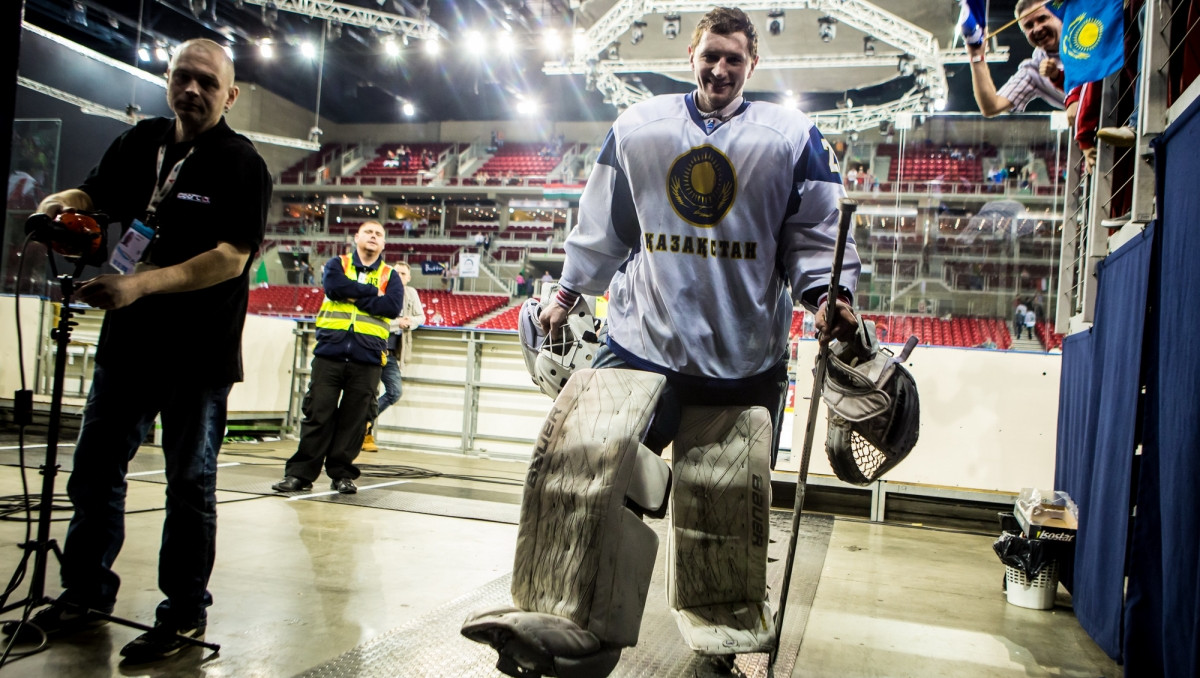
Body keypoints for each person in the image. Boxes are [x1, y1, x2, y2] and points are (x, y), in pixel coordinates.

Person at [0, 39, 272, 661]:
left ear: (230, 95)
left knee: (189, 484)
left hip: (195, 355)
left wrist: (140, 283)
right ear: (167, 80)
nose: (193, 90)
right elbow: (93, 196)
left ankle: (182, 615)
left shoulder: (240, 163)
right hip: (129, 344)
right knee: (95, 471)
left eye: (208, 82)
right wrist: (57, 204)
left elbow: (231, 259)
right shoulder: (138, 143)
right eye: (183, 77)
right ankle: (86, 591)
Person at [540, 5, 860, 464]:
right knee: (586, 481)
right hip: (640, 348)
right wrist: (566, 294)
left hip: (744, 363)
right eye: (711, 55)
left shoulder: (792, 137)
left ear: (753, 64)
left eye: (733, 59)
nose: (720, 69)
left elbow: (815, 233)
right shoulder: (637, 128)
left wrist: (830, 298)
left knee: (721, 525)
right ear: (691, 55)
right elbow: (603, 224)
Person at [272, 221, 402, 494]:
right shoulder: (337, 264)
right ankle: (300, 475)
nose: (373, 237)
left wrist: (352, 294)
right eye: (368, 232)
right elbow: (333, 288)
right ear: (357, 237)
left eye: (379, 234)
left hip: (367, 358)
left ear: (384, 244)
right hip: (330, 353)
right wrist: (369, 293)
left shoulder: (391, 275)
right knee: (317, 414)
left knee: (354, 420)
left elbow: (391, 306)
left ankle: (342, 473)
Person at [363, 262, 424, 452]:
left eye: (403, 273)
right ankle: (365, 435)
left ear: (408, 277)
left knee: (394, 392)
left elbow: (420, 317)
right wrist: (400, 323)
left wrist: (410, 322)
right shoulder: (379, 290)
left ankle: (364, 421)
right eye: (396, 273)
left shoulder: (411, 294)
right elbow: (377, 321)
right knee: (368, 393)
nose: (399, 276)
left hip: (391, 355)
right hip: (372, 350)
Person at [968, 0, 1066, 117]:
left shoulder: (1087, 33)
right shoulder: (1033, 71)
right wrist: (977, 57)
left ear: (1060, 16)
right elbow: (992, 107)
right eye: (1028, 26)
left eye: (1042, 18)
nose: (1037, 29)